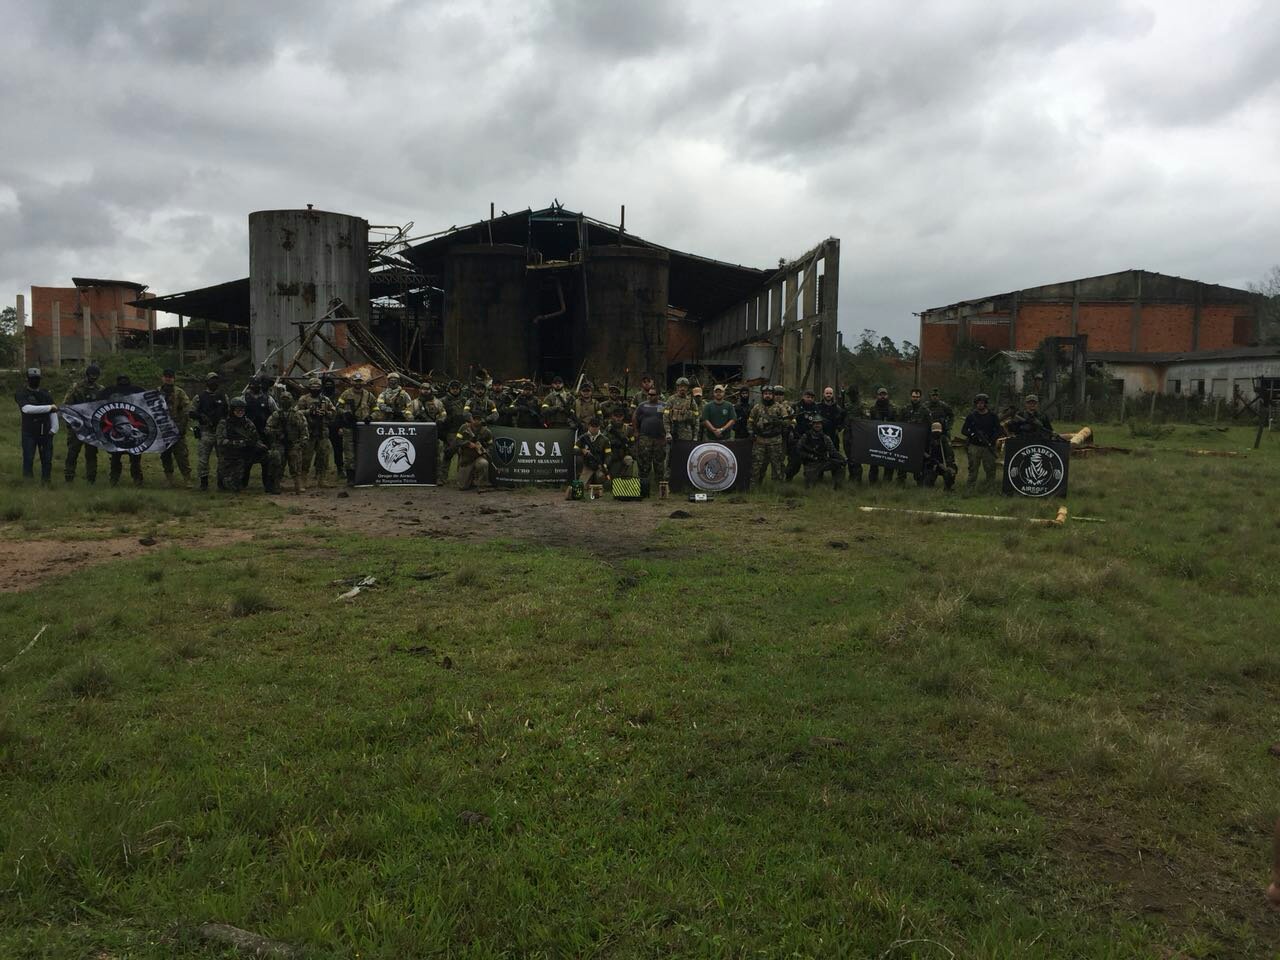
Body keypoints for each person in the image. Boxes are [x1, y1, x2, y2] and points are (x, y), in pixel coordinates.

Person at [100, 374, 145, 487]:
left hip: (132, 425)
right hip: (115, 427)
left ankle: (135, 479)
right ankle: (115, 479)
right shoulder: (109, 392)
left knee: (134, 458)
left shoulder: (137, 391)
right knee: (117, 458)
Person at [215, 396, 266, 493]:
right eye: (238, 410)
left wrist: (259, 445)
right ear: (232, 410)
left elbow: (255, 438)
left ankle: (270, 485)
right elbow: (220, 442)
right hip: (229, 457)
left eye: (242, 409)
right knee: (230, 487)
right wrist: (241, 443)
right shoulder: (224, 423)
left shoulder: (248, 422)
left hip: (244, 455)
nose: (240, 412)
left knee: (271, 455)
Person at [15, 367, 56, 483]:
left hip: (45, 431)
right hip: (29, 431)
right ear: (27, 379)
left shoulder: (45, 393)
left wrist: (54, 428)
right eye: (32, 378)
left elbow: (54, 411)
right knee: (28, 457)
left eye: (37, 378)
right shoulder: (21, 393)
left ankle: (46, 482)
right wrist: (49, 407)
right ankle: (28, 482)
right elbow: (26, 409)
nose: (35, 381)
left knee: (47, 459)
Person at [62, 363, 101, 483]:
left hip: (92, 428)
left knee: (91, 454)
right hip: (77, 427)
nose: (93, 378)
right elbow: (67, 405)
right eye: (91, 375)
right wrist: (71, 422)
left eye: (95, 375)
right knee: (72, 452)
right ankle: (69, 476)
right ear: (87, 374)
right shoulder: (76, 388)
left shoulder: (100, 390)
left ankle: (91, 478)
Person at [265, 392, 309, 494]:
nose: (285, 401)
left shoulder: (297, 414)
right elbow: (267, 429)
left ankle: (298, 485)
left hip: (294, 443)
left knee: (296, 465)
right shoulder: (276, 415)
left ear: (291, 400)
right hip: (279, 444)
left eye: (287, 399)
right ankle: (276, 485)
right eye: (283, 399)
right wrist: (277, 433)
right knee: (277, 463)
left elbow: (304, 429)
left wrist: (302, 442)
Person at [295, 377, 337, 487]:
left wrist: (326, 412)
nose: (315, 389)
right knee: (306, 457)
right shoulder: (304, 399)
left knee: (323, 456)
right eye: (313, 387)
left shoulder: (325, 400)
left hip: (322, 432)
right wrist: (309, 411)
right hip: (309, 431)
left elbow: (334, 413)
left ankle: (322, 479)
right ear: (309, 388)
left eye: (317, 387)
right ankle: (303, 479)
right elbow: (296, 413)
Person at [192, 372, 229, 491]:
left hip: (220, 432)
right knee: (203, 459)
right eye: (212, 380)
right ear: (207, 382)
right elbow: (191, 412)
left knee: (222, 458)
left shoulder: (223, 396)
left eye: (216, 380)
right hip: (206, 432)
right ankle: (204, 483)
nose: (214, 383)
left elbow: (228, 412)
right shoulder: (199, 397)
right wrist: (201, 417)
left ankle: (221, 482)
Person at [337, 372, 375, 485]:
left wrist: (371, 417)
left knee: (364, 451)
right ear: (352, 382)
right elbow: (337, 408)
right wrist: (345, 413)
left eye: (360, 381)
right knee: (349, 453)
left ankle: (364, 475)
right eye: (355, 381)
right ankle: (351, 478)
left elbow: (377, 409)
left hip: (364, 428)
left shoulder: (369, 395)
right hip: (349, 427)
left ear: (363, 382)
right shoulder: (346, 394)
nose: (358, 384)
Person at [748, 384, 791, 485]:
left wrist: (778, 422)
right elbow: (750, 421)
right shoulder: (757, 407)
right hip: (760, 441)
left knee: (777, 465)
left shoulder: (780, 407)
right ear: (762, 395)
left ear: (773, 395)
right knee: (757, 465)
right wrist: (751, 432)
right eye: (765, 394)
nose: (767, 396)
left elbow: (787, 422)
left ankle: (778, 487)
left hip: (775, 441)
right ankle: (754, 486)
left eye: (770, 394)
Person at [158, 369, 192, 487]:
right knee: (165, 455)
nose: (168, 379)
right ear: (162, 377)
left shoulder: (179, 392)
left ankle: (187, 478)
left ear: (174, 378)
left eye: (170, 377)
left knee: (182, 455)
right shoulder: (157, 392)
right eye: (166, 376)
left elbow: (187, 408)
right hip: (163, 428)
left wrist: (183, 425)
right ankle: (169, 479)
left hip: (177, 427)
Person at [961, 393, 1001, 485]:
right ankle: (970, 486)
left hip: (989, 446)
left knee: (990, 468)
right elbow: (964, 430)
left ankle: (990, 487)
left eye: (982, 403)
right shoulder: (971, 416)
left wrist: (992, 439)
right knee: (973, 468)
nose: (980, 405)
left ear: (985, 404)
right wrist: (973, 435)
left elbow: (999, 430)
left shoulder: (993, 416)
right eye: (978, 403)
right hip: (975, 446)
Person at [633, 386, 667, 492]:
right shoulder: (642, 405)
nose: (650, 396)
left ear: (658, 395)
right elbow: (635, 417)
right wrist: (636, 430)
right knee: (644, 461)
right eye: (649, 394)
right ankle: (643, 485)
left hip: (660, 438)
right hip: (645, 437)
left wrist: (667, 434)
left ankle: (659, 486)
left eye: (653, 394)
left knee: (659, 462)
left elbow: (668, 419)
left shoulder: (664, 405)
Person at [797, 416, 844, 489]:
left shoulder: (825, 438)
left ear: (822, 425)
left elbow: (833, 451)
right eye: (815, 423)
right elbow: (799, 450)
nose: (817, 425)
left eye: (819, 423)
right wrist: (809, 456)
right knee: (810, 487)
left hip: (823, 462)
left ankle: (837, 487)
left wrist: (842, 459)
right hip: (810, 464)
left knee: (840, 465)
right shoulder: (805, 437)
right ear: (812, 425)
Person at [570, 417, 611, 498]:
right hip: (588, 466)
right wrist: (582, 451)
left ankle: (596, 486)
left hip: (599, 466)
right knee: (581, 486)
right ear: (589, 426)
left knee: (601, 477)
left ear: (599, 427)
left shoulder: (605, 439)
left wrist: (605, 465)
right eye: (593, 426)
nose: (594, 429)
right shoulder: (583, 437)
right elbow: (574, 450)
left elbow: (608, 455)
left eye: (596, 426)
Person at [787, 388, 823, 480]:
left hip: (810, 439)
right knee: (794, 462)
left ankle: (812, 477)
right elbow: (789, 420)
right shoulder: (796, 406)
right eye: (808, 397)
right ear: (803, 397)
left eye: (811, 397)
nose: (809, 399)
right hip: (797, 437)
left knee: (812, 460)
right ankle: (788, 478)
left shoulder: (816, 408)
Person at [865, 387, 897, 485]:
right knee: (874, 459)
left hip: (889, 438)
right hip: (875, 438)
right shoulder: (873, 409)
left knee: (889, 460)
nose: (882, 396)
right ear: (877, 396)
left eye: (884, 394)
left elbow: (898, 423)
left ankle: (887, 481)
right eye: (880, 394)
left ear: (887, 396)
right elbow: (868, 423)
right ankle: (873, 480)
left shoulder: (893, 409)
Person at [454, 411, 493, 491]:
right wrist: (468, 444)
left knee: (483, 463)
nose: (476, 421)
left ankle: (481, 484)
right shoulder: (464, 427)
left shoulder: (486, 432)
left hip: (478, 457)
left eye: (478, 419)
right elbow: (457, 441)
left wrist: (484, 451)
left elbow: (491, 446)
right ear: (471, 418)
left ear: (481, 420)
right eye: (474, 419)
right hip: (466, 458)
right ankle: (470, 479)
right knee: (462, 487)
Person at [440, 380, 469, 478]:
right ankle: (442, 477)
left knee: (462, 454)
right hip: (450, 431)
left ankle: (461, 478)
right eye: (453, 388)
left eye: (457, 388)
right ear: (449, 389)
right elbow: (440, 416)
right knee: (448, 453)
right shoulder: (443, 401)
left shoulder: (464, 400)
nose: (455, 390)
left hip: (462, 430)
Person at [920, 421, 957, 490]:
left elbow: (950, 455)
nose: (936, 434)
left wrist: (948, 466)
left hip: (944, 464)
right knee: (927, 483)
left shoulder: (944, 440)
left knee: (949, 473)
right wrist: (933, 461)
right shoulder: (928, 440)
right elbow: (924, 452)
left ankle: (948, 488)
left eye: (938, 432)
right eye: (935, 432)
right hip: (932, 464)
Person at [321, 374, 344, 474]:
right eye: (326, 384)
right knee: (321, 449)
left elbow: (341, 412)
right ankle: (321, 470)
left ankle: (340, 468)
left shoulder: (338, 396)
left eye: (330, 384)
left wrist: (341, 426)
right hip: (322, 426)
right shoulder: (320, 396)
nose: (328, 386)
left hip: (335, 426)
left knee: (338, 448)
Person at [663, 377, 698, 442]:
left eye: (685, 386)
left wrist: (695, 435)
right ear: (677, 387)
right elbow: (666, 417)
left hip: (687, 435)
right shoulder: (671, 399)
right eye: (681, 386)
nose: (682, 388)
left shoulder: (691, 401)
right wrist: (667, 432)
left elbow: (696, 419)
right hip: (673, 433)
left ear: (687, 388)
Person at [605, 407, 636, 479]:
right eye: (616, 416)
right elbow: (603, 443)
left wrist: (630, 452)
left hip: (623, 455)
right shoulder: (608, 429)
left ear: (623, 417)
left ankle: (627, 480)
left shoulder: (628, 429)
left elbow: (632, 444)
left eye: (620, 416)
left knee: (629, 460)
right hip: (611, 456)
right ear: (612, 416)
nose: (618, 418)